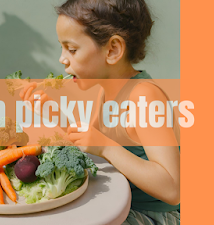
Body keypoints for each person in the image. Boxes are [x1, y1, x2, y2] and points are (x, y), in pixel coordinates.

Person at [19, 0, 180, 224]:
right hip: (122, 204)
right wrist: (56, 116)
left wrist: (105, 146)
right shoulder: (106, 90)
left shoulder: (144, 97)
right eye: (62, 47)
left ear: (113, 50)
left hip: (154, 216)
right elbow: (91, 147)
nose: (62, 59)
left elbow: (172, 188)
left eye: (72, 49)